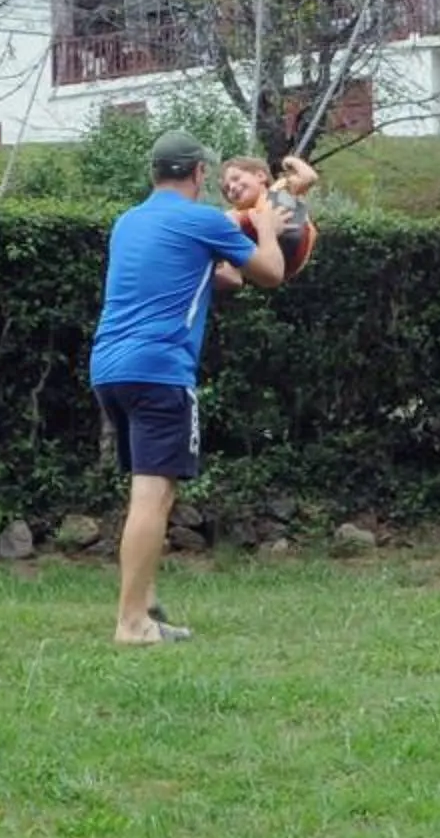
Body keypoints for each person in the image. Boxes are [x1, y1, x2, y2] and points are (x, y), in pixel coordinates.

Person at [89, 130, 287, 644]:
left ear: (154, 172)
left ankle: (147, 604)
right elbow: (269, 272)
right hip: (160, 370)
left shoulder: (127, 222)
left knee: (149, 492)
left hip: (109, 369)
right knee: (153, 497)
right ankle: (131, 623)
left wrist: (226, 246)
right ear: (200, 173)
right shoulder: (201, 219)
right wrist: (264, 227)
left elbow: (225, 278)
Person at [217, 153, 319, 284]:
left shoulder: (279, 190)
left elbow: (309, 177)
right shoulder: (240, 214)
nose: (232, 187)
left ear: (260, 176)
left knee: (230, 218)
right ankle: (225, 266)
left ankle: (226, 265)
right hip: (270, 258)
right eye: (227, 189)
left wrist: (290, 160)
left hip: (295, 236)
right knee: (229, 219)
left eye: (236, 178)